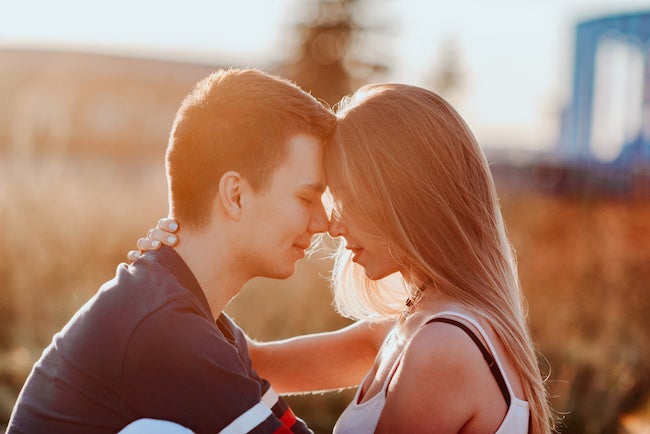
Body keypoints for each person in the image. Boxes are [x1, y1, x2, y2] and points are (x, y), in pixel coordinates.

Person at [140, 83, 556, 433]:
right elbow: (251, 363)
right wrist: (183, 265)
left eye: (347, 199)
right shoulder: (411, 330)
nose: (333, 227)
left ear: (401, 200)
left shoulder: (441, 348)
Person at [6, 68, 347, 434]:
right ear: (235, 195)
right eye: (307, 197)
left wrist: (409, 329)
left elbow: (292, 410)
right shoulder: (166, 330)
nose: (323, 221)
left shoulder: (187, 314)